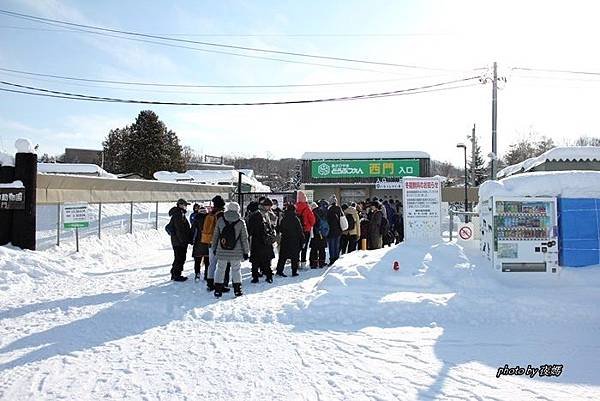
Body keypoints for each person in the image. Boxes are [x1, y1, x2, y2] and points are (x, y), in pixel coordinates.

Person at [211, 202, 249, 298]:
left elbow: (215, 235)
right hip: (236, 251)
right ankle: (237, 290)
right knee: (236, 269)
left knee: (220, 269)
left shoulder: (221, 220)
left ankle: (218, 290)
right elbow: (244, 238)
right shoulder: (240, 222)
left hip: (222, 249)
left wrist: (214, 248)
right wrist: (246, 251)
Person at [203, 196, 230, 293]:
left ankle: (210, 283)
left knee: (212, 264)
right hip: (219, 243)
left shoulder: (210, 214)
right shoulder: (221, 215)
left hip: (210, 242)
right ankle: (221, 284)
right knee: (222, 265)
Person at [247, 197, 277, 283]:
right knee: (264, 260)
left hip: (259, 241)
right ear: (265, 206)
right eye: (269, 206)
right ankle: (266, 276)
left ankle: (258, 276)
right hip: (262, 240)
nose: (270, 208)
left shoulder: (263, 214)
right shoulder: (259, 214)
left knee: (258, 260)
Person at [276, 204, 304, 277]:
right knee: (294, 257)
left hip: (285, 239)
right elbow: (300, 230)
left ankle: (279, 271)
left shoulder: (283, 218)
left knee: (282, 257)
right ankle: (294, 272)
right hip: (294, 240)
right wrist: (302, 239)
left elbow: (280, 229)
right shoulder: (295, 219)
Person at [167, 198, 192, 282]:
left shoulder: (179, 214)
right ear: (180, 205)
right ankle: (177, 275)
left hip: (178, 241)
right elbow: (179, 229)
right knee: (180, 257)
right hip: (179, 242)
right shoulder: (178, 214)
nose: (186, 207)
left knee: (178, 257)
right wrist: (183, 241)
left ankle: (175, 273)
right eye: (185, 205)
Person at [295, 190, 316, 266]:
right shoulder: (307, 208)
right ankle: (303, 263)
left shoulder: (295, 208)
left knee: (297, 247)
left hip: (296, 231)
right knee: (304, 246)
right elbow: (313, 221)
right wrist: (309, 226)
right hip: (306, 230)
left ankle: (296, 263)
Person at [190, 205, 209, 281]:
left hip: (198, 242)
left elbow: (193, 231)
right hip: (207, 242)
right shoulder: (209, 219)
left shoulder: (196, 219)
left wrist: (191, 240)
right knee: (207, 260)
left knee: (197, 260)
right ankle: (207, 274)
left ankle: (197, 273)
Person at [309, 201, 328, 268]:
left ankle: (314, 263)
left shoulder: (313, 213)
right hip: (323, 232)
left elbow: (313, 223)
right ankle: (322, 262)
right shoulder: (322, 211)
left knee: (314, 248)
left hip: (316, 233)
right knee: (322, 248)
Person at [326, 195, 343, 266]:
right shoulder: (339, 209)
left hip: (331, 230)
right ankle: (336, 258)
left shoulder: (329, 210)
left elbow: (327, 220)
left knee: (331, 246)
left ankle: (332, 260)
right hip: (338, 230)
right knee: (337, 245)